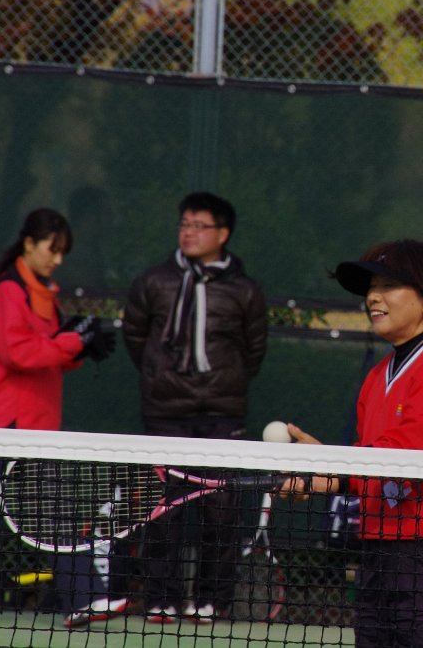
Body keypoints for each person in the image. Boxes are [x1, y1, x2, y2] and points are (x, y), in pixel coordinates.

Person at [283, 239, 423, 648]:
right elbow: (372, 468)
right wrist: (323, 476)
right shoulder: (378, 375)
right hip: (379, 554)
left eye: (388, 286)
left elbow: (409, 456)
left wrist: (328, 466)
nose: (373, 297)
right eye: (371, 288)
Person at [0, 208, 122, 628]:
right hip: (2, 425)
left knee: (53, 514)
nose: (57, 259)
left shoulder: (43, 295)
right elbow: (18, 353)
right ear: (29, 243)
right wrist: (71, 342)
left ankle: (85, 598)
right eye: (51, 249)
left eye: (63, 252)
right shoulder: (8, 292)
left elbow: (50, 353)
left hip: (37, 428)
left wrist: (80, 347)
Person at [122, 191, 268, 624]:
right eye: (184, 224)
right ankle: (161, 598)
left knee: (220, 512)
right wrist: (162, 377)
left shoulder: (244, 290)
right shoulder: (153, 282)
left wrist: (221, 384)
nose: (188, 232)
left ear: (223, 234)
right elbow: (136, 338)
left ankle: (210, 599)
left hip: (222, 417)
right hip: (164, 415)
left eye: (199, 226)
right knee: (162, 512)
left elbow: (253, 350)